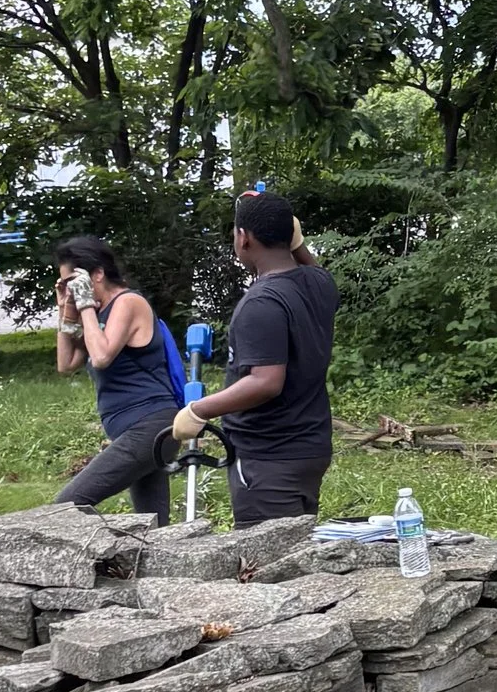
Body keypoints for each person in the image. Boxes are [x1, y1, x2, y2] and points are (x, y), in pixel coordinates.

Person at [170, 189, 340, 526]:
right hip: (309, 447)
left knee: (268, 566)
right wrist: (293, 237)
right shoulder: (319, 283)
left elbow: (266, 382)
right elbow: (308, 264)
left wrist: (198, 410)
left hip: (269, 456)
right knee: (297, 556)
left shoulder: (261, 303)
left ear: (243, 238)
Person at [53, 236, 184, 524]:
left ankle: (97, 559)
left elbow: (101, 356)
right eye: (66, 284)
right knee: (154, 525)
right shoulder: (96, 315)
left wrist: (86, 305)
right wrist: (66, 307)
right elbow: (67, 364)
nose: (73, 290)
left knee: (64, 506)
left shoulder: (128, 303)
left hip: (151, 427)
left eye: (75, 281)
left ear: (97, 273)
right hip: (139, 431)